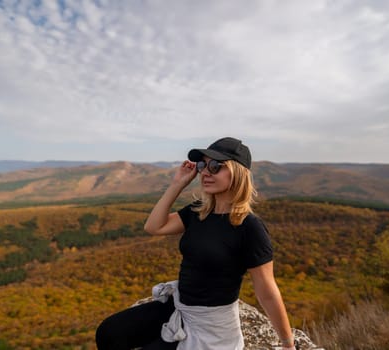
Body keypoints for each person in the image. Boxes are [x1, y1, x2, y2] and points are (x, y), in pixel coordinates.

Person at [96, 137, 296, 350]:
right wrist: (178, 183)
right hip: (180, 307)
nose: (206, 172)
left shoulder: (249, 227)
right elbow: (154, 227)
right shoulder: (199, 211)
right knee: (109, 333)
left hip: (211, 324)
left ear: (237, 172)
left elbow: (267, 290)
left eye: (215, 166)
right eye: (202, 165)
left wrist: (288, 344)